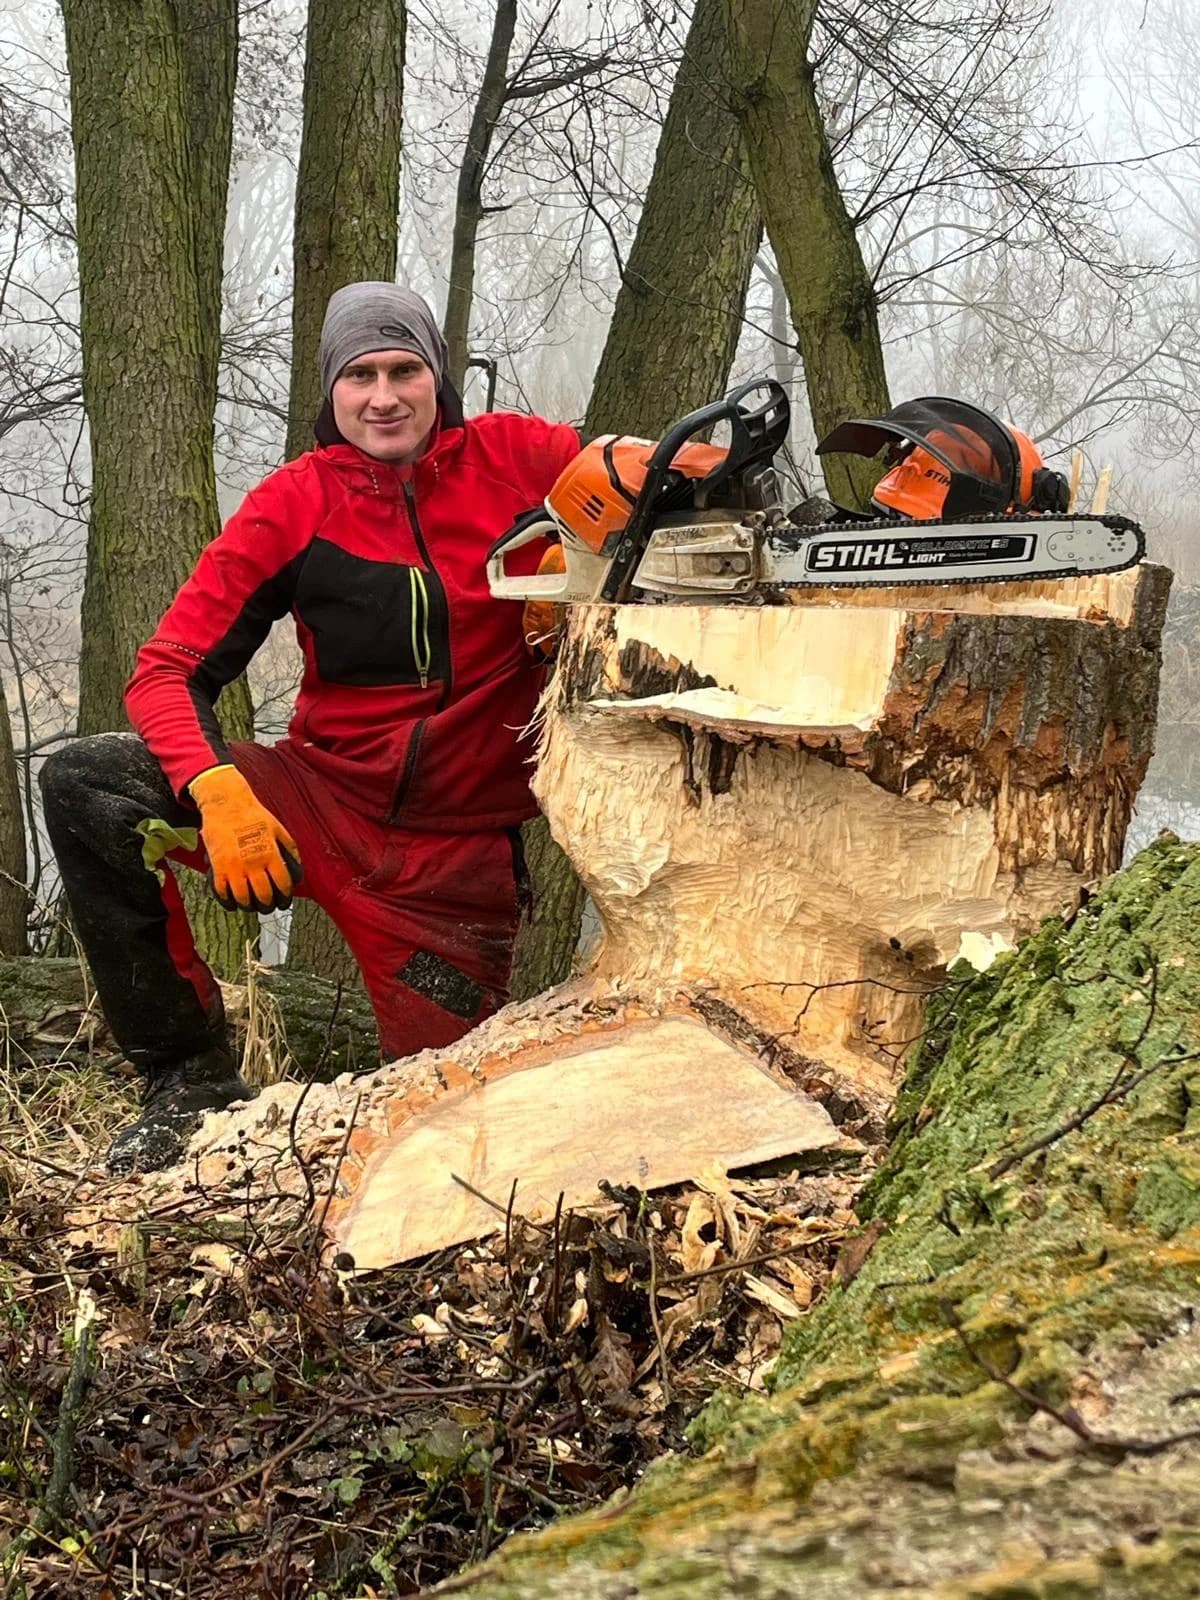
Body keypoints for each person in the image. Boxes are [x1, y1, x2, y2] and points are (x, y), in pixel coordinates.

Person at [40, 283, 581, 1175]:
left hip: (452, 871)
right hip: (312, 806)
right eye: (359, 374)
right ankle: (186, 1078)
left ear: (437, 377)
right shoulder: (297, 500)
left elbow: (646, 469)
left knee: (451, 1124)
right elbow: (167, 668)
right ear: (330, 391)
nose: (384, 396)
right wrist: (218, 794)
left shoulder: (518, 455)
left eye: (404, 369)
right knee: (89, 783)